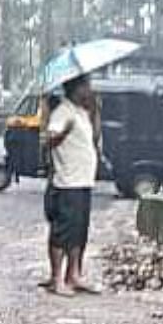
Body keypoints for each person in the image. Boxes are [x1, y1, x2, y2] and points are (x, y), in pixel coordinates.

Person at [43, 75, 101, 297]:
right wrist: (63, 133)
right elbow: (50, 138)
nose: (90, 90)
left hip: (83, 180)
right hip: (68, 182)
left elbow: (94, 138)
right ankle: (57, 278)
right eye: (86, 86)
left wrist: (96, 110)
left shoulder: (81, 112)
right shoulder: (63, 112)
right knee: (63, 231)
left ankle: (74, 274)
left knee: (79, 231)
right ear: (75, 89)